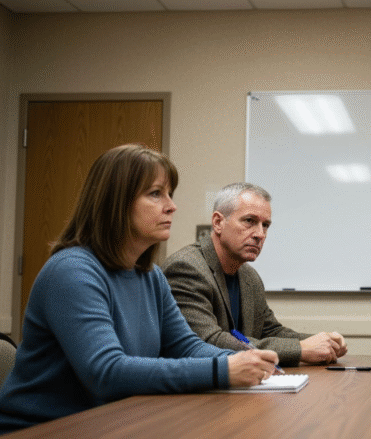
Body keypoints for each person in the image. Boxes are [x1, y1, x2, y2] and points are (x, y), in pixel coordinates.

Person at [0, 145, 278, 433]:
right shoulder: (72, 271)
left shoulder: (150, 275)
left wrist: (242, 360)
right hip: (44, 429)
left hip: (112, 422)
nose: (171, 206)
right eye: (156, 193)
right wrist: (223, 370)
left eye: (169, 194)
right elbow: (106, 372)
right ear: (116, 201)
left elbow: (186, 346)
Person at [162, 182, 347, 366]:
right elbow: (209, 341)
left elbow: (270, 331)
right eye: (249, 221)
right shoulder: (186, 268)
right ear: (218, 222)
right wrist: (300, 349)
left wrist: (322, 342)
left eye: (265, 225)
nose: (260, 234)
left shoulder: (249, 276)